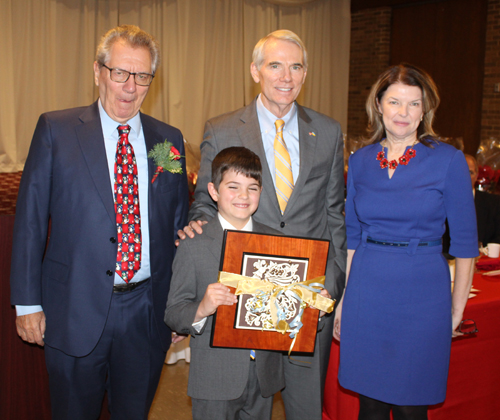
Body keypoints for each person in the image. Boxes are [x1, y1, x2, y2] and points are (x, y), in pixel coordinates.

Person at [10, 25, 189, 419]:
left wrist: (179, 303)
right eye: (120, 72)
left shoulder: (167, 140)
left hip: (146, 311)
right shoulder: (57, 130)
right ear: (98, 72)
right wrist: (27, 305)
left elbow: (178, 226)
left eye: (142, 76)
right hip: (73, 308)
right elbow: (30, 222)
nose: (130, 86)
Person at [178, 30, 346, 419]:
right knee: (251, 406)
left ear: (305, 74)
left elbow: (334, 213)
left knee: (306, 409)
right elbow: (205, 200)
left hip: (308, 302)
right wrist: (196, 234)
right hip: (247, 301)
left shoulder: (328, 131)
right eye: (275, 65)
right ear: (255, 71)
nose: (286, 76)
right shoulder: (222, 129)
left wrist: (332, 285)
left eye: (296, 66)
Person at [334, 63, 478, 419]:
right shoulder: (362, 161)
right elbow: (353, 236)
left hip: (421, 294)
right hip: (367, 291)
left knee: (410, 405)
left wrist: (456, 310)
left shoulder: (447, 160)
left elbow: (464, 243)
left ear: (425, 110)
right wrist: (343, 302)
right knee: (369, 405)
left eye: (414, 104)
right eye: (395, 102)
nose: (404, 112)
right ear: (379, 105)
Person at [165, 146, 285, 420]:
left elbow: (290, 311)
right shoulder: (193, 244)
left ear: (261, 192)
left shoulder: (276, 243)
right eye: (233, 187)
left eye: (252, 188)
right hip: (214, 378)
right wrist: (203, 307)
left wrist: (312, 301)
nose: (243, 196)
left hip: (263, 377)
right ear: (214, 191)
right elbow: (173, 313)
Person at [465, 153, 500, 246]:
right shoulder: (439, 203)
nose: (464, 177)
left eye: (469, 172)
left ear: (476, 176)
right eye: (459, 172)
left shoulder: (494, 203)